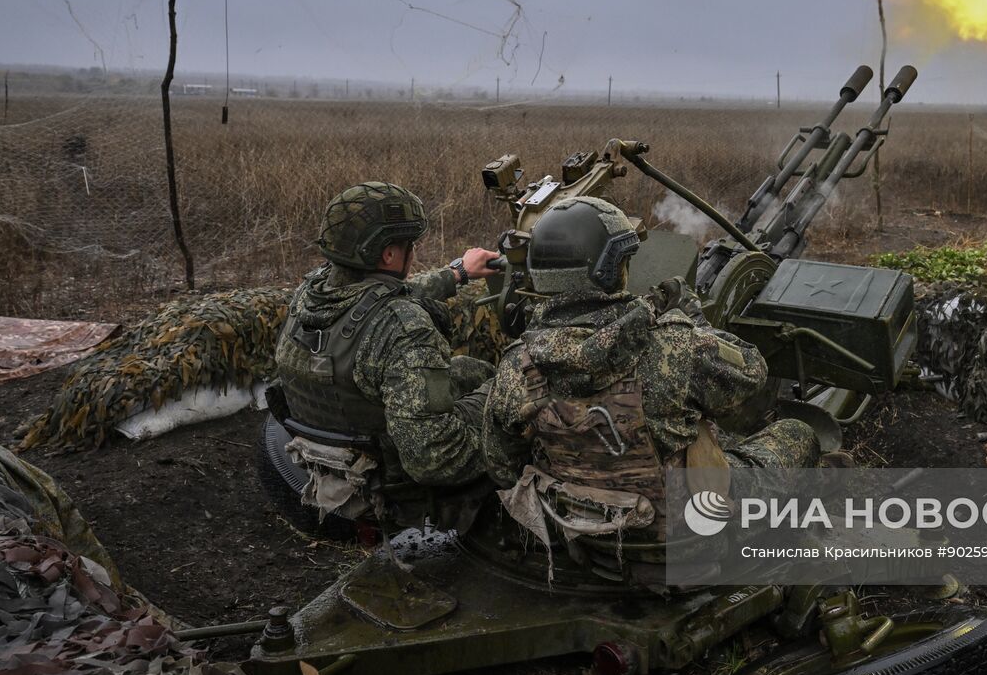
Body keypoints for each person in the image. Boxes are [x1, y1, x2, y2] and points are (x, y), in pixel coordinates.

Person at [481, 195, 818, 546]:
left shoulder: (516, 365)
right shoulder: (672, 346)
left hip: (584, 535)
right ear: (608, 270)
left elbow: (502, 467)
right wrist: (692, 322)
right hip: (684, 538)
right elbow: (752, 371)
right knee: (797, 434)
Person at [273, 181, 501, 518]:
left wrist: (457, 274)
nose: (415, 251)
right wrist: (508, 427)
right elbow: (435, 459)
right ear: (389, 254)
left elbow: (381, 295)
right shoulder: (404, 328)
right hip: (391, 479)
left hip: (334, 446)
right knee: (503, 387)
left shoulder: (311, 292)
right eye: (410, 244)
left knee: (469, 369)